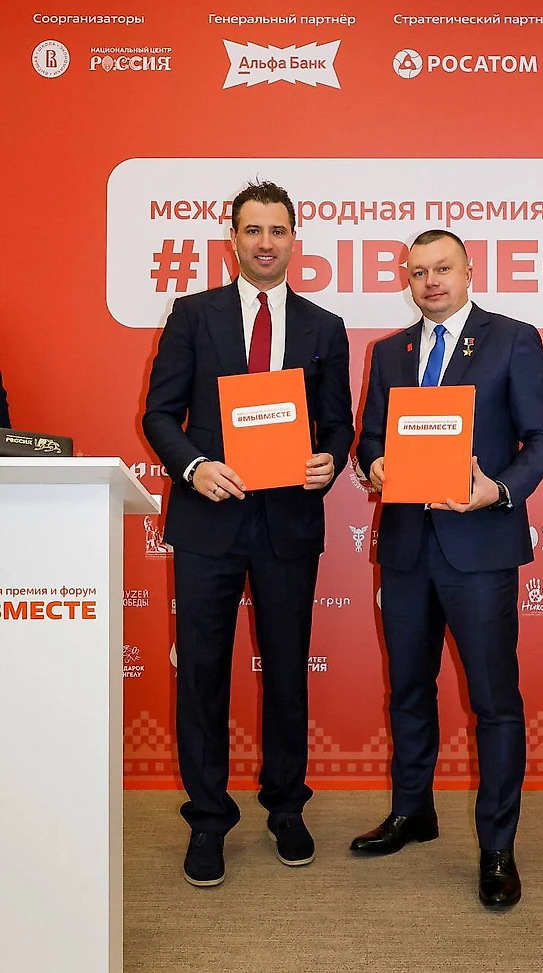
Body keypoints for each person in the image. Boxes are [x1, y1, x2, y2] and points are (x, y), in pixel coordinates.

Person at [143, 180, 354, 887]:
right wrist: (193, 466)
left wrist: (330, 460)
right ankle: (207, 817)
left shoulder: (324, 326)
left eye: (278, 230)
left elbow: (338, 424)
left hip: (288, 522)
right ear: (232, 238)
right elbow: (159, 414)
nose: (266, 243)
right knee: (202, 672)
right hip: (208, 518)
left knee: (288, 670)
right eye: (253, 230)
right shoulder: (191, 314)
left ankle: (286, 807)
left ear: (295, 240)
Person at [351, 229, 543, 908]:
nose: (431, 281)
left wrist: (498, 489)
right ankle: (413, 811)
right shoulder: (389, 352)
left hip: (481, 547)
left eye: (442, 268)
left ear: (470, 271)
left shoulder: (513, 339)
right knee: (409, 690)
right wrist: (374, 464)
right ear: (407, 281)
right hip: (406, 548)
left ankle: (498, 847)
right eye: (418, 272)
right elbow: (369, 439)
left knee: (495, 703)